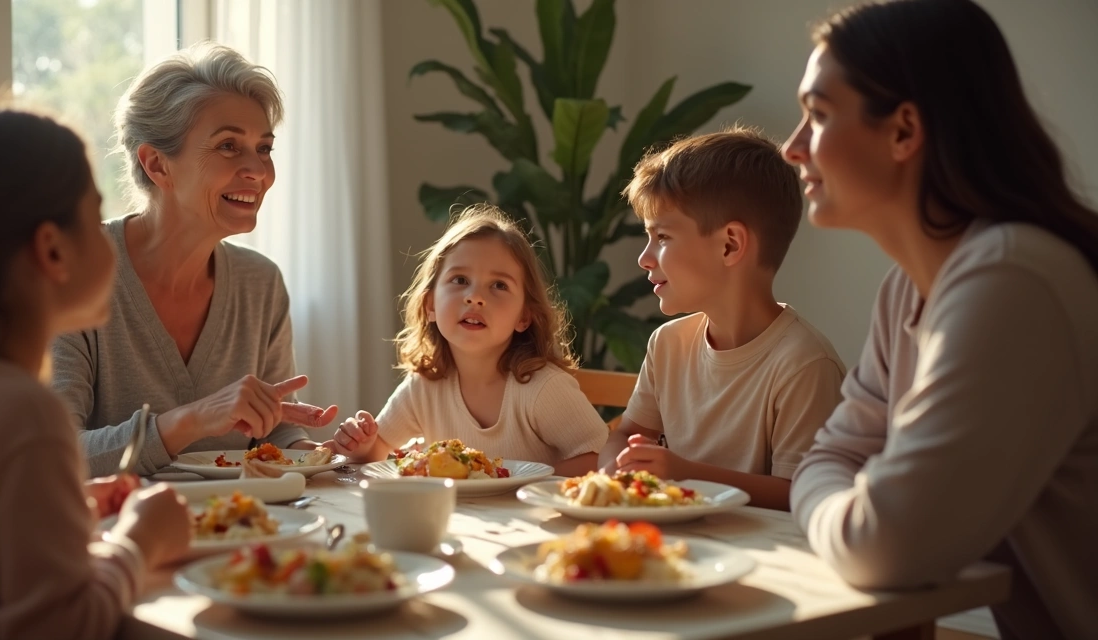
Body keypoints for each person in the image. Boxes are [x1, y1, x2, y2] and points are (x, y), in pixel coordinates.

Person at [782, 1, 1098, 637]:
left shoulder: (1015, 279)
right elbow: (833, 453)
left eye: (817, 115)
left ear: (903, 130)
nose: (791, 148)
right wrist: (843, 502)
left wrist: (828, 506)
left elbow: (885, 546)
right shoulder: (909, 288)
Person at [0, 105, 191, 639]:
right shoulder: (20, 411)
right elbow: (59, 629)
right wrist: (140, 542)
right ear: (52, 249)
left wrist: (62, 510)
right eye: (93, 216)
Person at [52, 43, 337, 477]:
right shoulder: (72, 275)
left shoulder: (260, 283)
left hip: (244, 530)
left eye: (264, 148)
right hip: (117, 536)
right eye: (228, 146)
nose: (258, 171)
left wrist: (312, 451)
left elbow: (270, 432)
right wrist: (191, 419)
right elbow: (52, 455)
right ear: (156, 165)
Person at [598, 126, 845, 511]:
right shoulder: (667, 345)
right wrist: (613, 477)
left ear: (730, 244)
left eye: (662, 237)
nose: (644, 258)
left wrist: (684, 474)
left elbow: (798, 492)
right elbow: (626, 433)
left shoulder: (804, 365)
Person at [329, 205, 608, 476]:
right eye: (460, 279)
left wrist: (520, 482)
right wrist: (363, 444)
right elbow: (379, 450)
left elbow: (602, 458)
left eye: (499, 285)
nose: (475, 297)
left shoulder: (543, 388)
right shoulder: (424, 386)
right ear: (430, 305)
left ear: (524, 316)